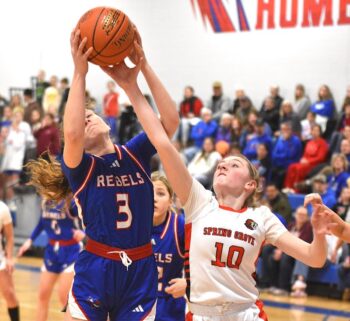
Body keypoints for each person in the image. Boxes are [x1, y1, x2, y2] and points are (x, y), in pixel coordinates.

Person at [109, 43, 330, 321]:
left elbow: (314, 258)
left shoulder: (261, 217)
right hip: (202, 315)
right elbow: (162, 141)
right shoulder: (198, 202)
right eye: (221, 163)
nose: (223, 163)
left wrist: (319, 234)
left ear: (251, 184)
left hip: (246, 314)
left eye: (234, 164)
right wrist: (133, 85)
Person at [59, 28, 179, 320]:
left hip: (140, 269)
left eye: (91, 113)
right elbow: (72, 134)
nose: (86, 117)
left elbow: (171, 121)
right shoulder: (81, 168)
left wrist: (141, 71)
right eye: (82, 117)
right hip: (97, 267)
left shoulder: (135, 153)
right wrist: (80, 73)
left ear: (107, 122)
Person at [18, 156, 84, 321]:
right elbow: (42, 222)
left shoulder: (70, 201)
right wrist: (30, 240)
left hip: (71, 252)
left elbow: (89, 219)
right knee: (42, 297)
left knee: (64, 301)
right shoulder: (46, 201)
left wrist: (85, 234)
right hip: (51, 252)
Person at [151, 172, 186, 321]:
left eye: (160, 194)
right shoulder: (131, 224)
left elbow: (205, 260)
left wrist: (189, 283)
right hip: (135, 302)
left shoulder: (180, 226)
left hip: (168, 305)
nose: (153, 199)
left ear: (170, 201)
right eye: (148, 192)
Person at [0, 201, 20, 321]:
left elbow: (10, 237)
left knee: (10, 294)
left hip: (0, 259)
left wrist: (9, 258)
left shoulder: (3, 209)